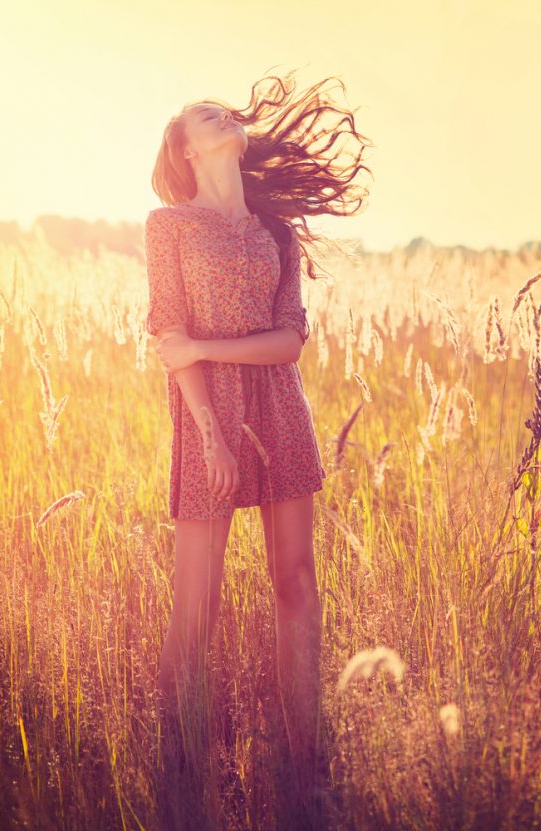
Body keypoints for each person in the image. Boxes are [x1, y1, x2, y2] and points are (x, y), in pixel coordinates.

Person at [143, 72, 372, 815]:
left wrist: (208, 345)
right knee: (197, 608)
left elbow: (289, 344)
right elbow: (166, 334)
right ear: (186, 149)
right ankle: (178, 774)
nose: (219, 113)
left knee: (297, 582)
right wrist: (211, 433)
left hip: (280, 411)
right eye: (200, 115)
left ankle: (306, 764)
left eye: (221, 109)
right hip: (207, 418)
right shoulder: (168, 225)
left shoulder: (272, 230)